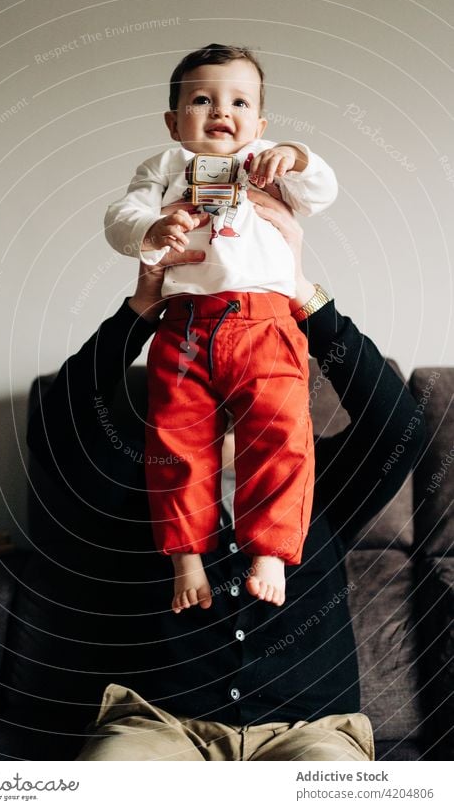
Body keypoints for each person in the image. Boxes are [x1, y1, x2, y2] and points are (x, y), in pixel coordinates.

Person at [27, 190, 425, 761]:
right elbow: (54, 429)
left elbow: (401, 428)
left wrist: (299, 294)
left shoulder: (323, 485)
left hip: (309, 732)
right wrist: (143, 309)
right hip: (161, 727)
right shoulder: (139, 479)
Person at [105, 43, 338, 613]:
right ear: (173, 120)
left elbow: (322, 191)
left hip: (266, 321)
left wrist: (297, 156)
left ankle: (271, 552)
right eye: (202, 99)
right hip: (184, 324)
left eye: (239, 102)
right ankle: (186, 557)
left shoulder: (268, 160)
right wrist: (153, 227)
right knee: (175, 442)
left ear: (258, 122)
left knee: (282, 437)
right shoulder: (163, 167)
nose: (220, 111)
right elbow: (119, 219)